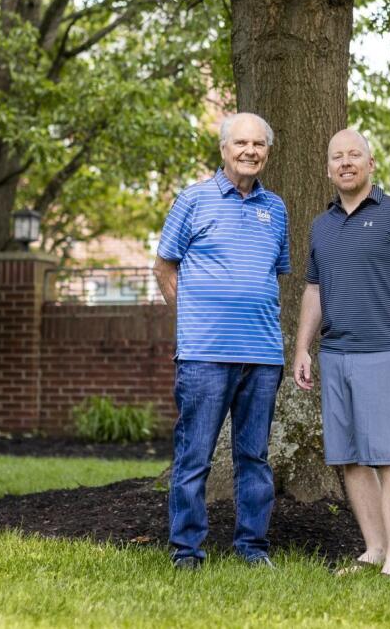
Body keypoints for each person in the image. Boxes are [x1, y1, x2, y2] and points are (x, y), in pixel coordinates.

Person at [292, 128, 390, 579]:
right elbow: (313, 290)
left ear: (371, 164)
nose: (346, 162)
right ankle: (372, 548)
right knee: (350, 458)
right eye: (338, 157)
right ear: (329, 168)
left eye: (355, 155)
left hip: (384, 354)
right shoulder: (321, 225)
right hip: (335, 355)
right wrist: (302, 348)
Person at [153, 112, 290, 571]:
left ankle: (252, 548)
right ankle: (186, 551)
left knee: (254, 457)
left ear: (267, 151)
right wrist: (193, 319)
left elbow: (274, 273)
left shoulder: (277, 209)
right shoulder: (192, 200)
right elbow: (164, 267)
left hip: (263, 355)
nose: (250, 151)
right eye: (241, 143)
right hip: (205, 356)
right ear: (223, 148)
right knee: (194, 456)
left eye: (259, 144)